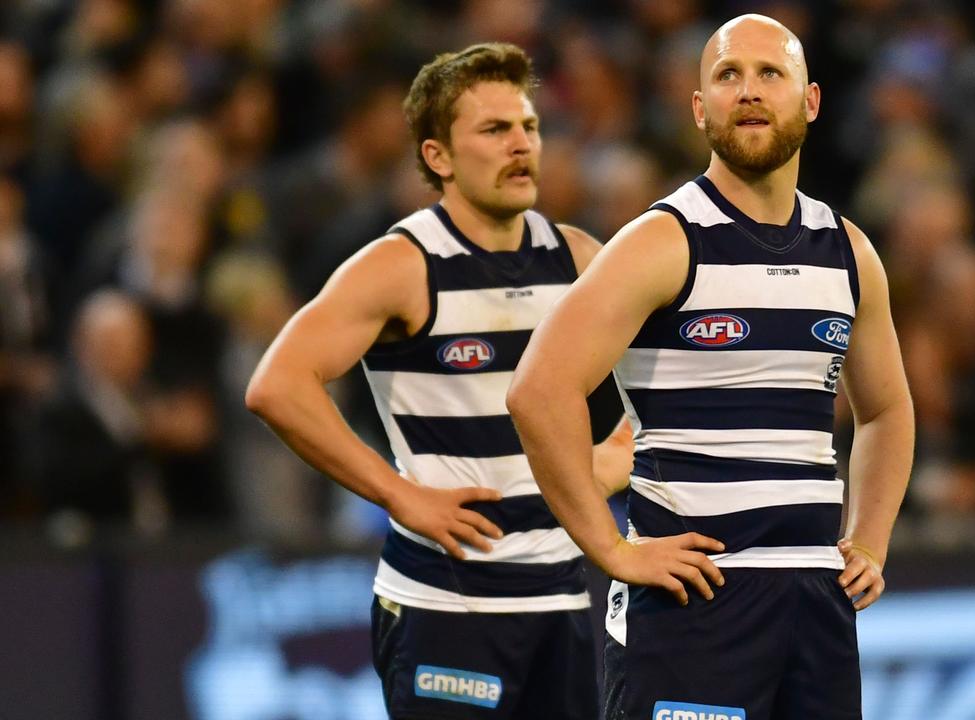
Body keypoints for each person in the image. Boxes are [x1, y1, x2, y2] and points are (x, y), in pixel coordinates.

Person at [507, 15, 915, 720]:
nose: (749, 91)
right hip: (692, 605)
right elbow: (538, 391)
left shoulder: (849, 253)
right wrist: (609, 548)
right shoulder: (663, 241)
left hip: (816, 604)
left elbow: (886, 409)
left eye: (769, 74)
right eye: (728, 75)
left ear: (810, 101)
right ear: (700, 110)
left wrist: (870, 540)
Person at [245, 43, 630, 720]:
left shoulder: (578, 258)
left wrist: (608, 464)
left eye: (529, 127)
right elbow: (278, 385)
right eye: (494, 129)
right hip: (447, 604)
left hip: (562, 600)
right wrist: (400, 495)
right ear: (438, 158)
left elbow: (649, 401)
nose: (520, 145)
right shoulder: (403, 264)